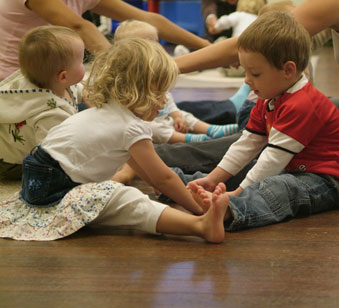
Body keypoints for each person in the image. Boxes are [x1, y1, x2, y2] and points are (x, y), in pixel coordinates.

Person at [0, 38, 228, 243]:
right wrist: (195, 208)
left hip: (39, 180)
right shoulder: (131, 127)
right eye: (159, 96)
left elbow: (149, 172)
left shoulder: (108, 111)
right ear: (138, 92)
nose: (163, 105)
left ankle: (197, 221)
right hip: (53, 191)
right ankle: (199, 225)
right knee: (123, 197)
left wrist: (176, 192)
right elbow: (164, 177)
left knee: (118, 194)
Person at [166, 0, 339, 165]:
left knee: (276, 136)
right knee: (273, 119)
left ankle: (158, 158)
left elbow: (249, 44)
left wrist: (170, 67)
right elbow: (289, 47)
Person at [182, 11, 339, 231]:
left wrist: (237, 194)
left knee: (279, 187)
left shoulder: (302, 103)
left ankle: (231, 209)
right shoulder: (269, 96)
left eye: (255, 74)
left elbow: (273, 159)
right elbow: (247, 143)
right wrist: (214, 178)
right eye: (245, 71)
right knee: (250, 167)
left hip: (329, 181)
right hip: (293, 167)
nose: (247, 81)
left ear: (288, 70)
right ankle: (189, 184)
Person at [0, 0, 211, 81]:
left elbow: (150, 19)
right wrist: (124, 72)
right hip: (12, 84)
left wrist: (208, 47)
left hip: (52, 80)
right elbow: (79, 26)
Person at [114, 20, 239, 144]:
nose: (158, 47)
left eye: (157, 42)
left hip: (163, 116)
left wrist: (176, 115)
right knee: (152, 129)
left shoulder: (156, 71)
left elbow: (167, 96)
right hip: (150, 123)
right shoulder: (127, 79)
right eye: (152, 43)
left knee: (185, 115)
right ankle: (190, 139)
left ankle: (211, 129)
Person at [0, 26, 84, 180]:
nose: (84, 64)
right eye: (82, 61)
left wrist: (88, 93)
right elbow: (50, 156)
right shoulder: (51, 115)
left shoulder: (46, 79)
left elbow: (76, 88)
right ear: (63, 76)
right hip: (10, 162)